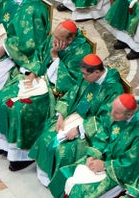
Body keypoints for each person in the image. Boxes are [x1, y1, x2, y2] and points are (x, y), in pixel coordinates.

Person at [0, 22, 88, 172]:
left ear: (70, 40)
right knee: (3, 98)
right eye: (54, 35)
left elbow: (71, 83)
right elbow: (39, 55)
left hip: (55, 90)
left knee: (21, 109)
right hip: (38, 78)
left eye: (58, 38)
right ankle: (1, 144)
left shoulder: (81, 52)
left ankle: (20, 156)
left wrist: (55, 56)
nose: (54, 40)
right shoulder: (54, 39)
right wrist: (32, 73)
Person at [29, 54, 124, 185]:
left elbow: (106, 119)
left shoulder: (113, 89)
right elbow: (73, 92)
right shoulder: (88, 77)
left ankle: (55, 181)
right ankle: (44, 175)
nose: (83, 77)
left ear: (97, 72)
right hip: (76, 116)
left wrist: (79, 129)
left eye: (86, 74)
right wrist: (61, 114)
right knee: (47, 134)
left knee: (62, 150)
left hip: (92, 128)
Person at [48, 94, 139, 198]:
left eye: (116, 112)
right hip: (103, 157)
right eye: (112, 109)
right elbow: (102, 132)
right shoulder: (117, 111)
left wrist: (105, 165)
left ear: (129, 114)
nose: (111, 113)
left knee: (79, 191)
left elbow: (136, 162)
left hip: (119, 171)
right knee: (65, 173)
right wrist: (93, 154)